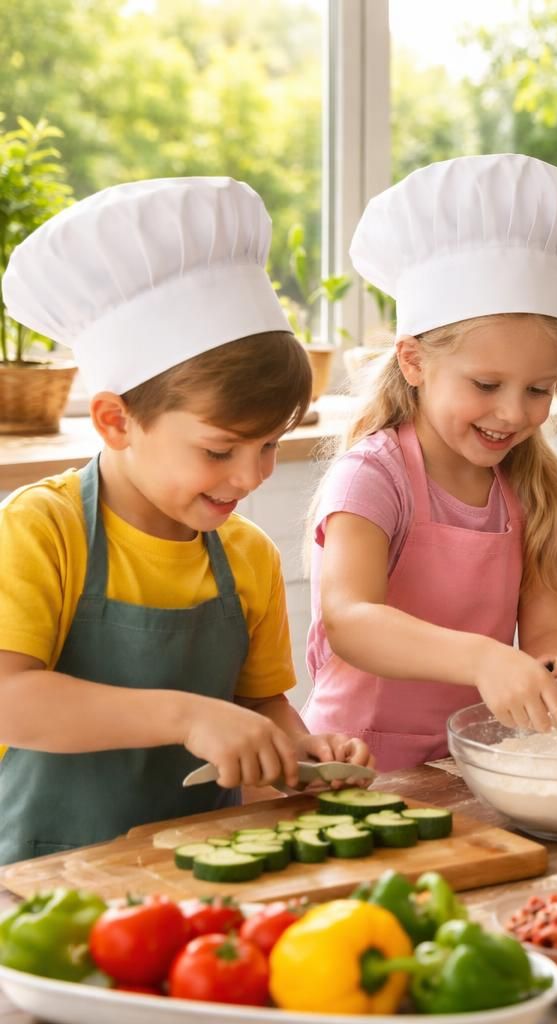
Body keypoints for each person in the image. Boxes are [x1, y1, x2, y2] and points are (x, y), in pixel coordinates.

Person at [0, 177, 373, 864]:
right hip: (47, 877)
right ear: (116, 421)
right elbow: (10, 700)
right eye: (219, 450)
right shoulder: (40, 532)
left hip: (205, 874)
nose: (252, 476)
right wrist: (187, 716)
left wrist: (299, 749)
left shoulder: (247, 555)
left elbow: (259, 705)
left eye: (270, 445)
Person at [304, 155, 557, 771]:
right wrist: (481, 658)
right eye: (486, 384)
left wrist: (556, 669)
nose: (512, 413)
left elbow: (548, 627)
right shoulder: (372, 477)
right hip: (358, 764)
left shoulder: (535, 486)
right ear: (414, 361)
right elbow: (351, 620)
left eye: (539, 389)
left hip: (472, 760)